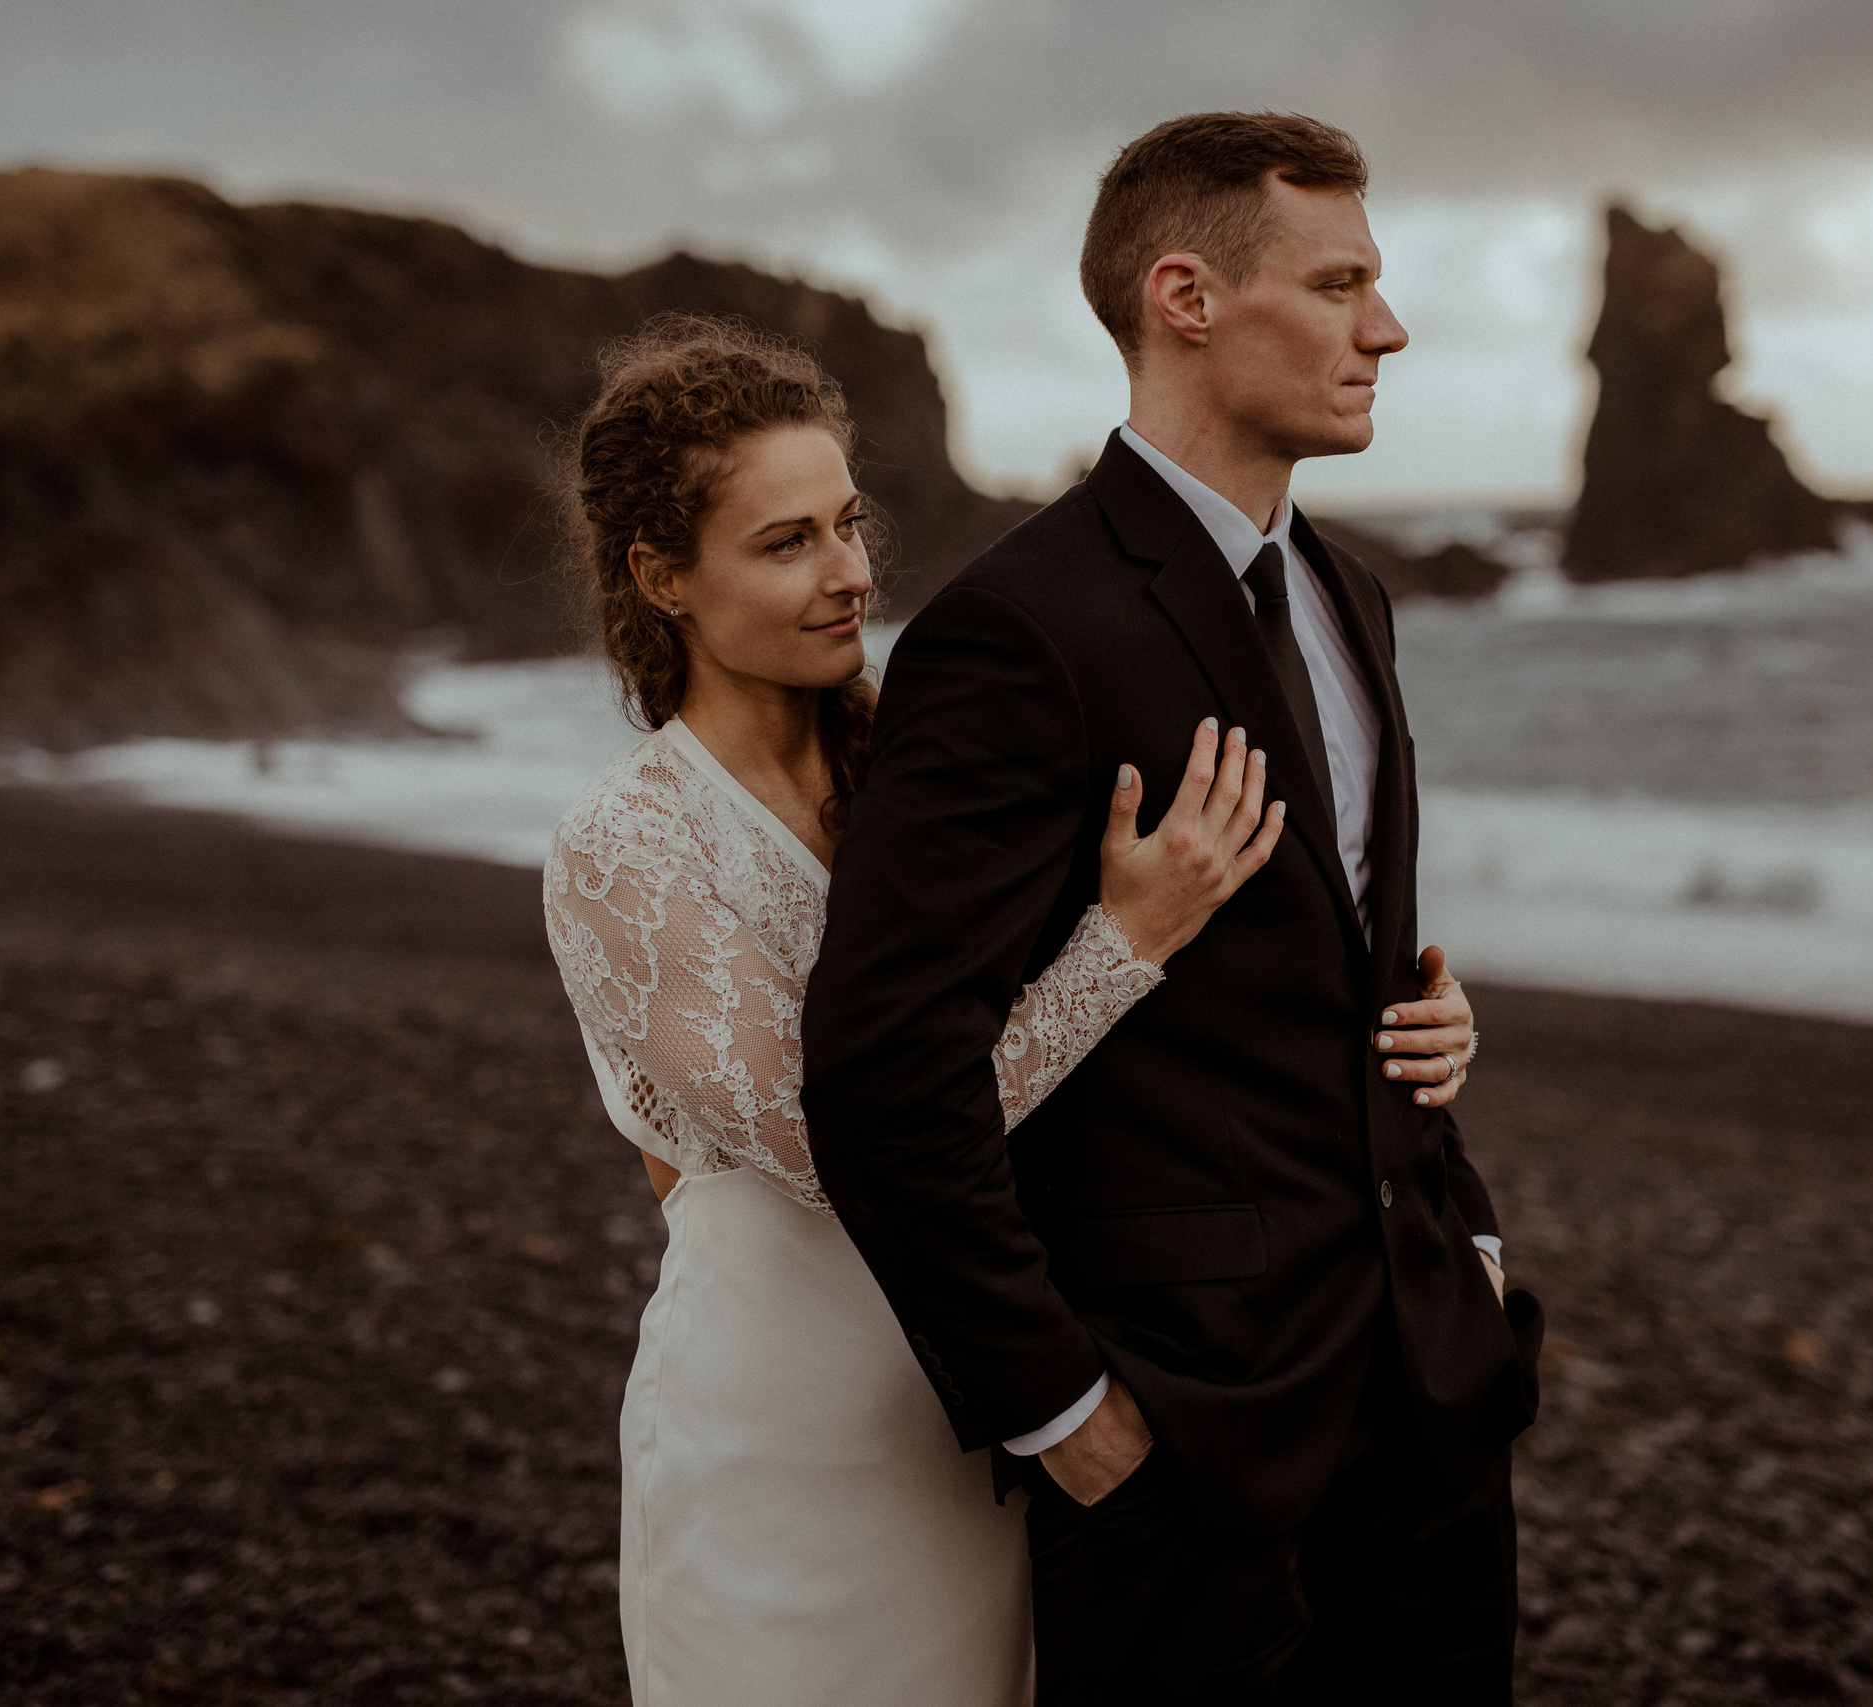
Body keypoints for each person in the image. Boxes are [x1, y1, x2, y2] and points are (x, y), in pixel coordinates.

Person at [540, 315, 1469, 1704]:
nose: (849, 573)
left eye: (849, 524)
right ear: (660, 574)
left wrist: (1411, 1035)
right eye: (784, 543)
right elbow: (829, 1130)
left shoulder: (924, 765)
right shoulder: (624, 844)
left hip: (1000, 1380)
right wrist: (1125, 936)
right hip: (787, 1421)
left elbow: (1160, 1043)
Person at [802, 113, 1543, 1704]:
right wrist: (1065, 1414)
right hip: (1183, 1450)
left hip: (1428, 1407)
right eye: (1340, 283)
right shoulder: (1018, 631)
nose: (1387, 329)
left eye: (1379, 286)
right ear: (1186, 297)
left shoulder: (1354, 597)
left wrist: (1466, 1225)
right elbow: (880, 1074)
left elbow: (1349, 971)